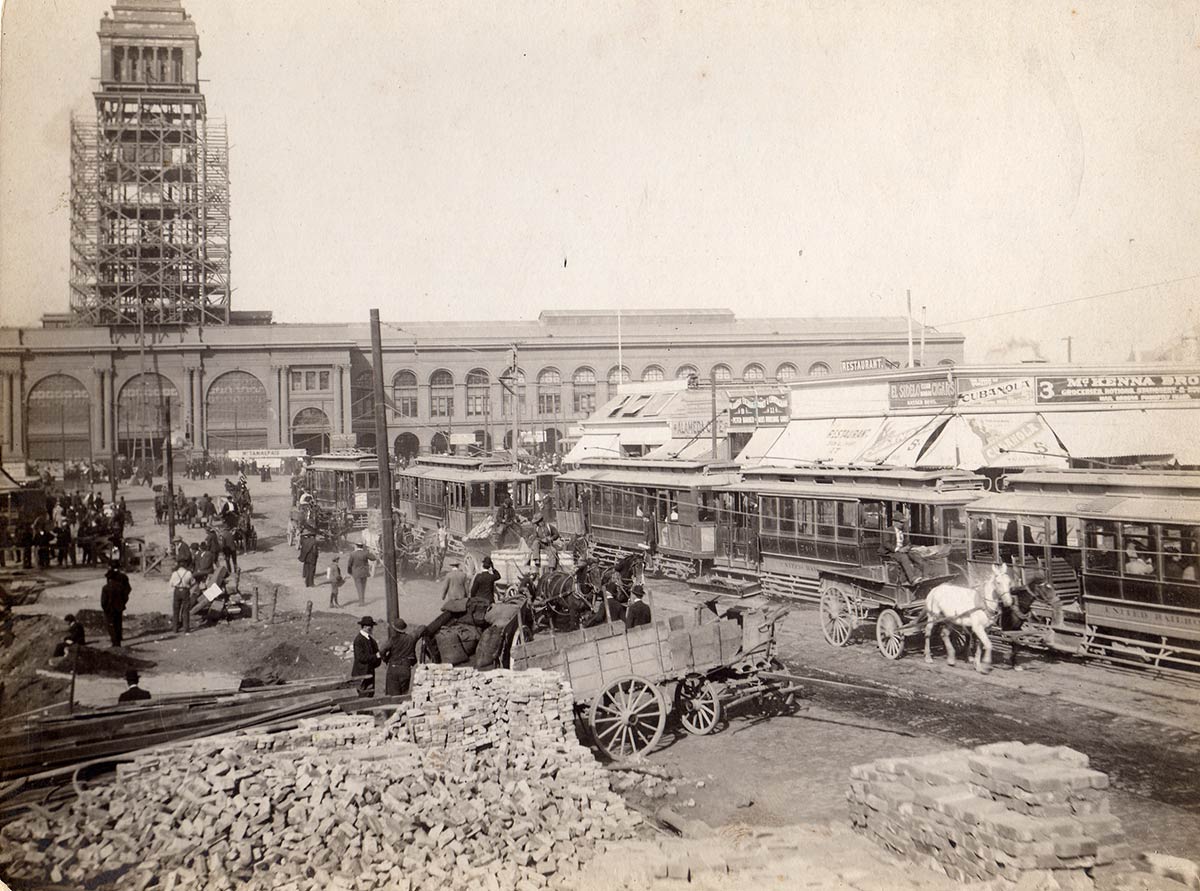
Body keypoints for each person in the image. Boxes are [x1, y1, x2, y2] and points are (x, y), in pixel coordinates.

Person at [379, 618, 420, 696]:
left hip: (394, 668)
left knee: (393, 696)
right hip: (406, 668)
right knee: (403, 695)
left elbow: (382, 650)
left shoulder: (393, 639)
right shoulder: (410, 638)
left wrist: (385, 659)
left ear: (395, 629)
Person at [101, 559, 132, 647]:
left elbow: (104, 599)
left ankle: (115, 641)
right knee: (118, 621)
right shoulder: (123, 576)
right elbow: (128, 589)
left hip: (111, 603)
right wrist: (123, 600)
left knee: (111, 623)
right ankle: (119, 637)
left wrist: (105, 607)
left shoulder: (109, 578)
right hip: (120, 602)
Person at [882, 520, 922, 584]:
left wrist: (907, 547)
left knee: (916, 556)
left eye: (903, 523)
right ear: (894, 522)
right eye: (900, 522)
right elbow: (886, 544)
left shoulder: (903, 531)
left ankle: (918, 576)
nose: (902, 524)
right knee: (903, 557)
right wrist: (898, 549)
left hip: (902, 551)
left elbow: (908, 543)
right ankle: (912, 579)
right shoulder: (888, 530)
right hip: (891, 552)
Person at [351, 615, 381, 697]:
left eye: (371, 626)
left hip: (369, 672)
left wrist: (378, 659)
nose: (371, 628)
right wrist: (375, 656)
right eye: (369, 626)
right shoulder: (359, 640)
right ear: (364, 626)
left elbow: (377, 654)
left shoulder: (371, 640)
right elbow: (360, 657)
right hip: (361, 673)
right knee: (363, 696)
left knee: (370, 695)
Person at [169, 560, 195, 634]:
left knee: (176, 609)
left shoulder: (174, 573)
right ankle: (186, 628)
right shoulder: (188, 573)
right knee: (186, 610)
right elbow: (193, 582)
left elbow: (171, 584)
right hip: (185, 591)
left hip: (177, 591)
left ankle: (175, 628)